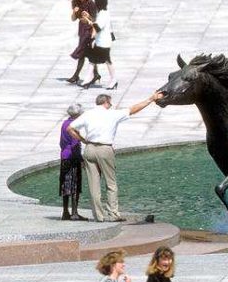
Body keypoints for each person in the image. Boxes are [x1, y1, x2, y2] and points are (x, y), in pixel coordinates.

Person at [67, 92, 161, 222]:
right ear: (106, 102)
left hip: (89, 149)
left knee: (93, 185)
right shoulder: (112, 113)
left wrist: (83, 140)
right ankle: (113, 214)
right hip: (105, 148)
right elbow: (133, 109)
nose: (111, 105)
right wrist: (150, 99)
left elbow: (70, 128)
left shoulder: (88, 114)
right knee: (111, 183)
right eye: (110, 103)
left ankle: (98, 217)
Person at [78, 0, 116, 90]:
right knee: (93, 59)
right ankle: (88, 79)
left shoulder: (103, 14)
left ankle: (113, 80)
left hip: (103, 42)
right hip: (102, 41)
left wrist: (88, 21)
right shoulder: (103, 13)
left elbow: (97, 27)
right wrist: (90, 17)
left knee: (106, 61)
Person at [59, 103, 86, 221]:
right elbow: (75, 144)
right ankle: (75, 212)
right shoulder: (74, 126)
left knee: (65, 184)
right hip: (73, 158)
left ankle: (65, 211)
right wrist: (81, 159)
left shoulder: (64, 123)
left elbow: (61, 142)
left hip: (64, 156)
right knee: (75, 184)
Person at [66, 0, 98, 85]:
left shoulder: (91, 3)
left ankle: (76, 75)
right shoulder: (76, 3)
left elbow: (94, 19)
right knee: (88, 53)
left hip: (90, 30)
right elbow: (73, 19)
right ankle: (96, 74)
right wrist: (74, 12)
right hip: (82, 30)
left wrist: (88, 16)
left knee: (82, 53)